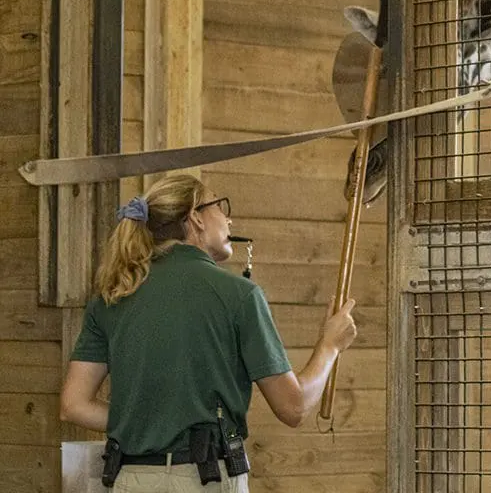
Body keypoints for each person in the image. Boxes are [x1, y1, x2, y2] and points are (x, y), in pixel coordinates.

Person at [59, 173, 358, 492]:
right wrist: (330, 347)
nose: (228, 219)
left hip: (129, 480)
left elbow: (74, 404)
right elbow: (293, 408)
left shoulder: (112, 298)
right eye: (220, 207)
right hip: (205, 480)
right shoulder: (239, 295)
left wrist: (145, 424)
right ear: (195, 218)